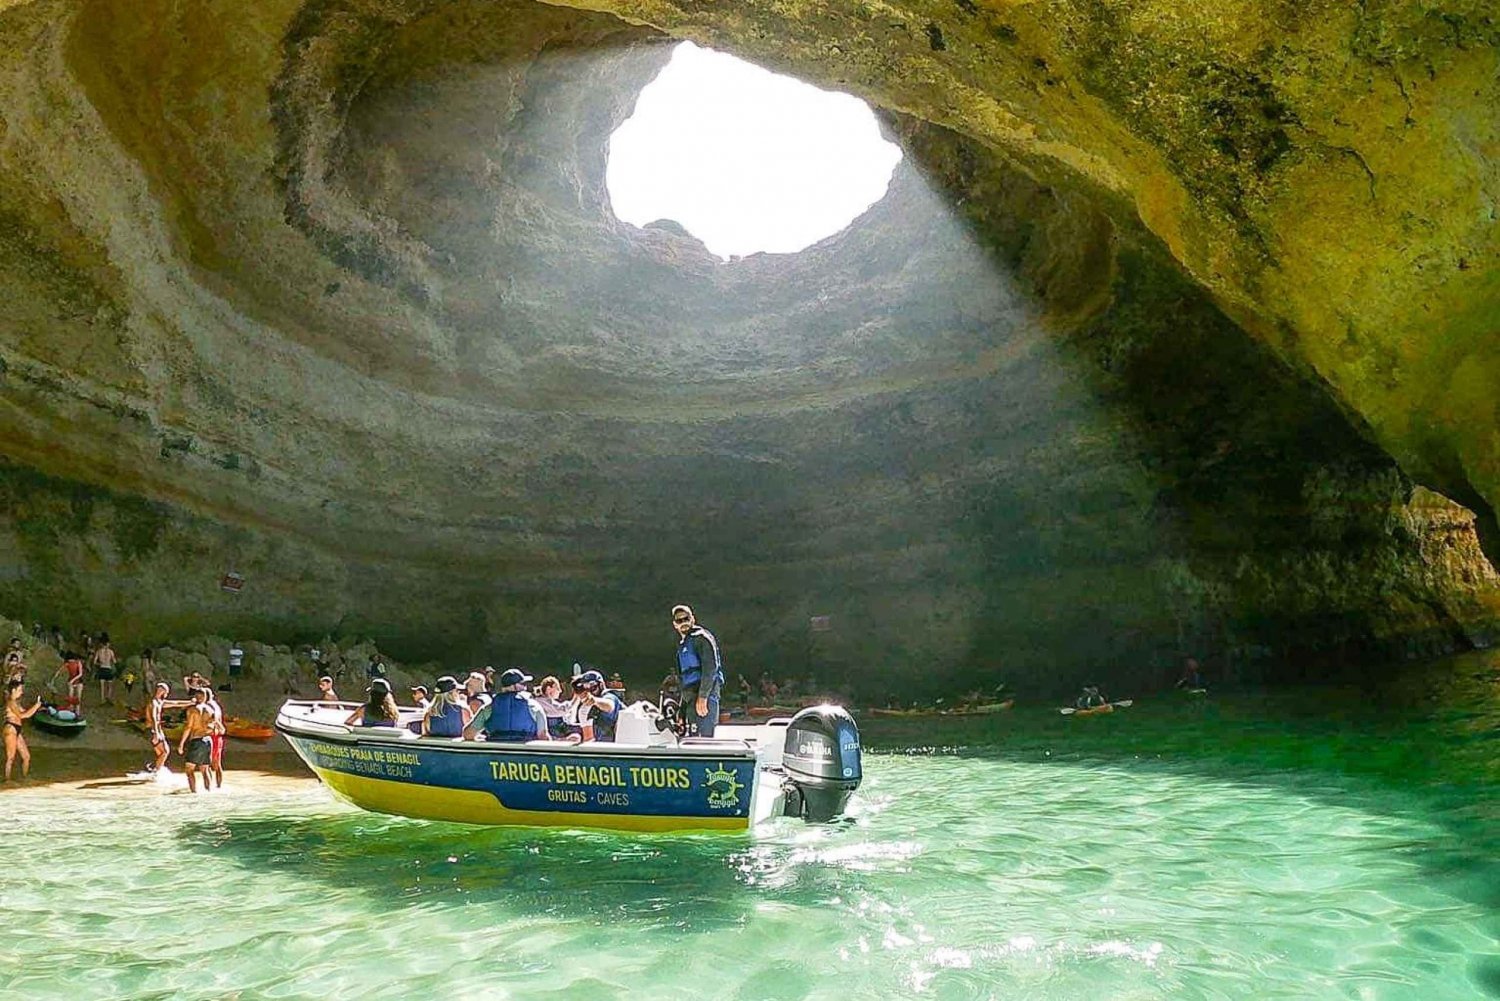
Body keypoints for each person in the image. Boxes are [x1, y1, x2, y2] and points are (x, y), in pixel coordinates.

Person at [671, 604, 724, 737]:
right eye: (679, 620)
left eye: (686, 619)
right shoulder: (682, 647)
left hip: (705, 696)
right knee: (692, 738)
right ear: (675, 624)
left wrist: (703, 697)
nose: (683, 623)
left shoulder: (702, 638)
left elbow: (710, 668)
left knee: (705, 739)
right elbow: (683, 682)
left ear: (692, 619)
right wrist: (681, 712)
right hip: (690, 699)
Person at [467, 668, 546, 742]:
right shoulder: (533, 705)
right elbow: (543, 736)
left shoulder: (489, 707)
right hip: (524, 753)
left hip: (496, 754)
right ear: (513, 686)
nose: (525, 687)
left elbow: (468, 734)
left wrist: (482, 738)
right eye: (523, 684)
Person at [177, 687, 216, 793]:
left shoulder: (192, 710)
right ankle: (209, 791)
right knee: (205, 769)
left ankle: (194, 793)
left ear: (196, 697)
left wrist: (181, 744)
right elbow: (213, 727)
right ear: (205, 697)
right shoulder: (210, 709)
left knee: (189, 769)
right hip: (208, 740)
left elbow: (189, 727)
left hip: (196, 740)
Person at [4, 678, 42, 781]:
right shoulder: (11, 702)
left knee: (26, 756)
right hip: (11, 729)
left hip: (16, 729)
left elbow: (26, 712)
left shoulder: (16, 703)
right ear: (13, 690)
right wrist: (36, 706)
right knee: (10, 758)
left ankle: (24, 778)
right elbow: (22, 715)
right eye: (20, 690)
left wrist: (39, 708)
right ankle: (7, 780)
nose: (21, 692)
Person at [570, 670, 623, 742]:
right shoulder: (586, 709)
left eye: (592, 686)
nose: (588, 691)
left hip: (619, 746)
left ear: (601, 685)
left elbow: (610, 705)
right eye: (585, 686)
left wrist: (594, 700)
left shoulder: (609, 696)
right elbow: (588, 737)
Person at [203, 687, 226, 789]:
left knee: (207, 763)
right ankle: (218, 786)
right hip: (217, 736)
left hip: (213, 736)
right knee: (216, 763)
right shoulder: (216, 705)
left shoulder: (209, 705)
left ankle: (209, 787)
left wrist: (218, 727)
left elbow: (215, 718)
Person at [92, 637, 118, 704]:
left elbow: (94, 662)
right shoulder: (111, 651)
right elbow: (114, 661)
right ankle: (108, 697)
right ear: (107, 644)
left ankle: (102, 700)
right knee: (110, 685)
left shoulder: (99, 651)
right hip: (108, 668)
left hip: (102, 668)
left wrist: (100, 664)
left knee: (102, 686)